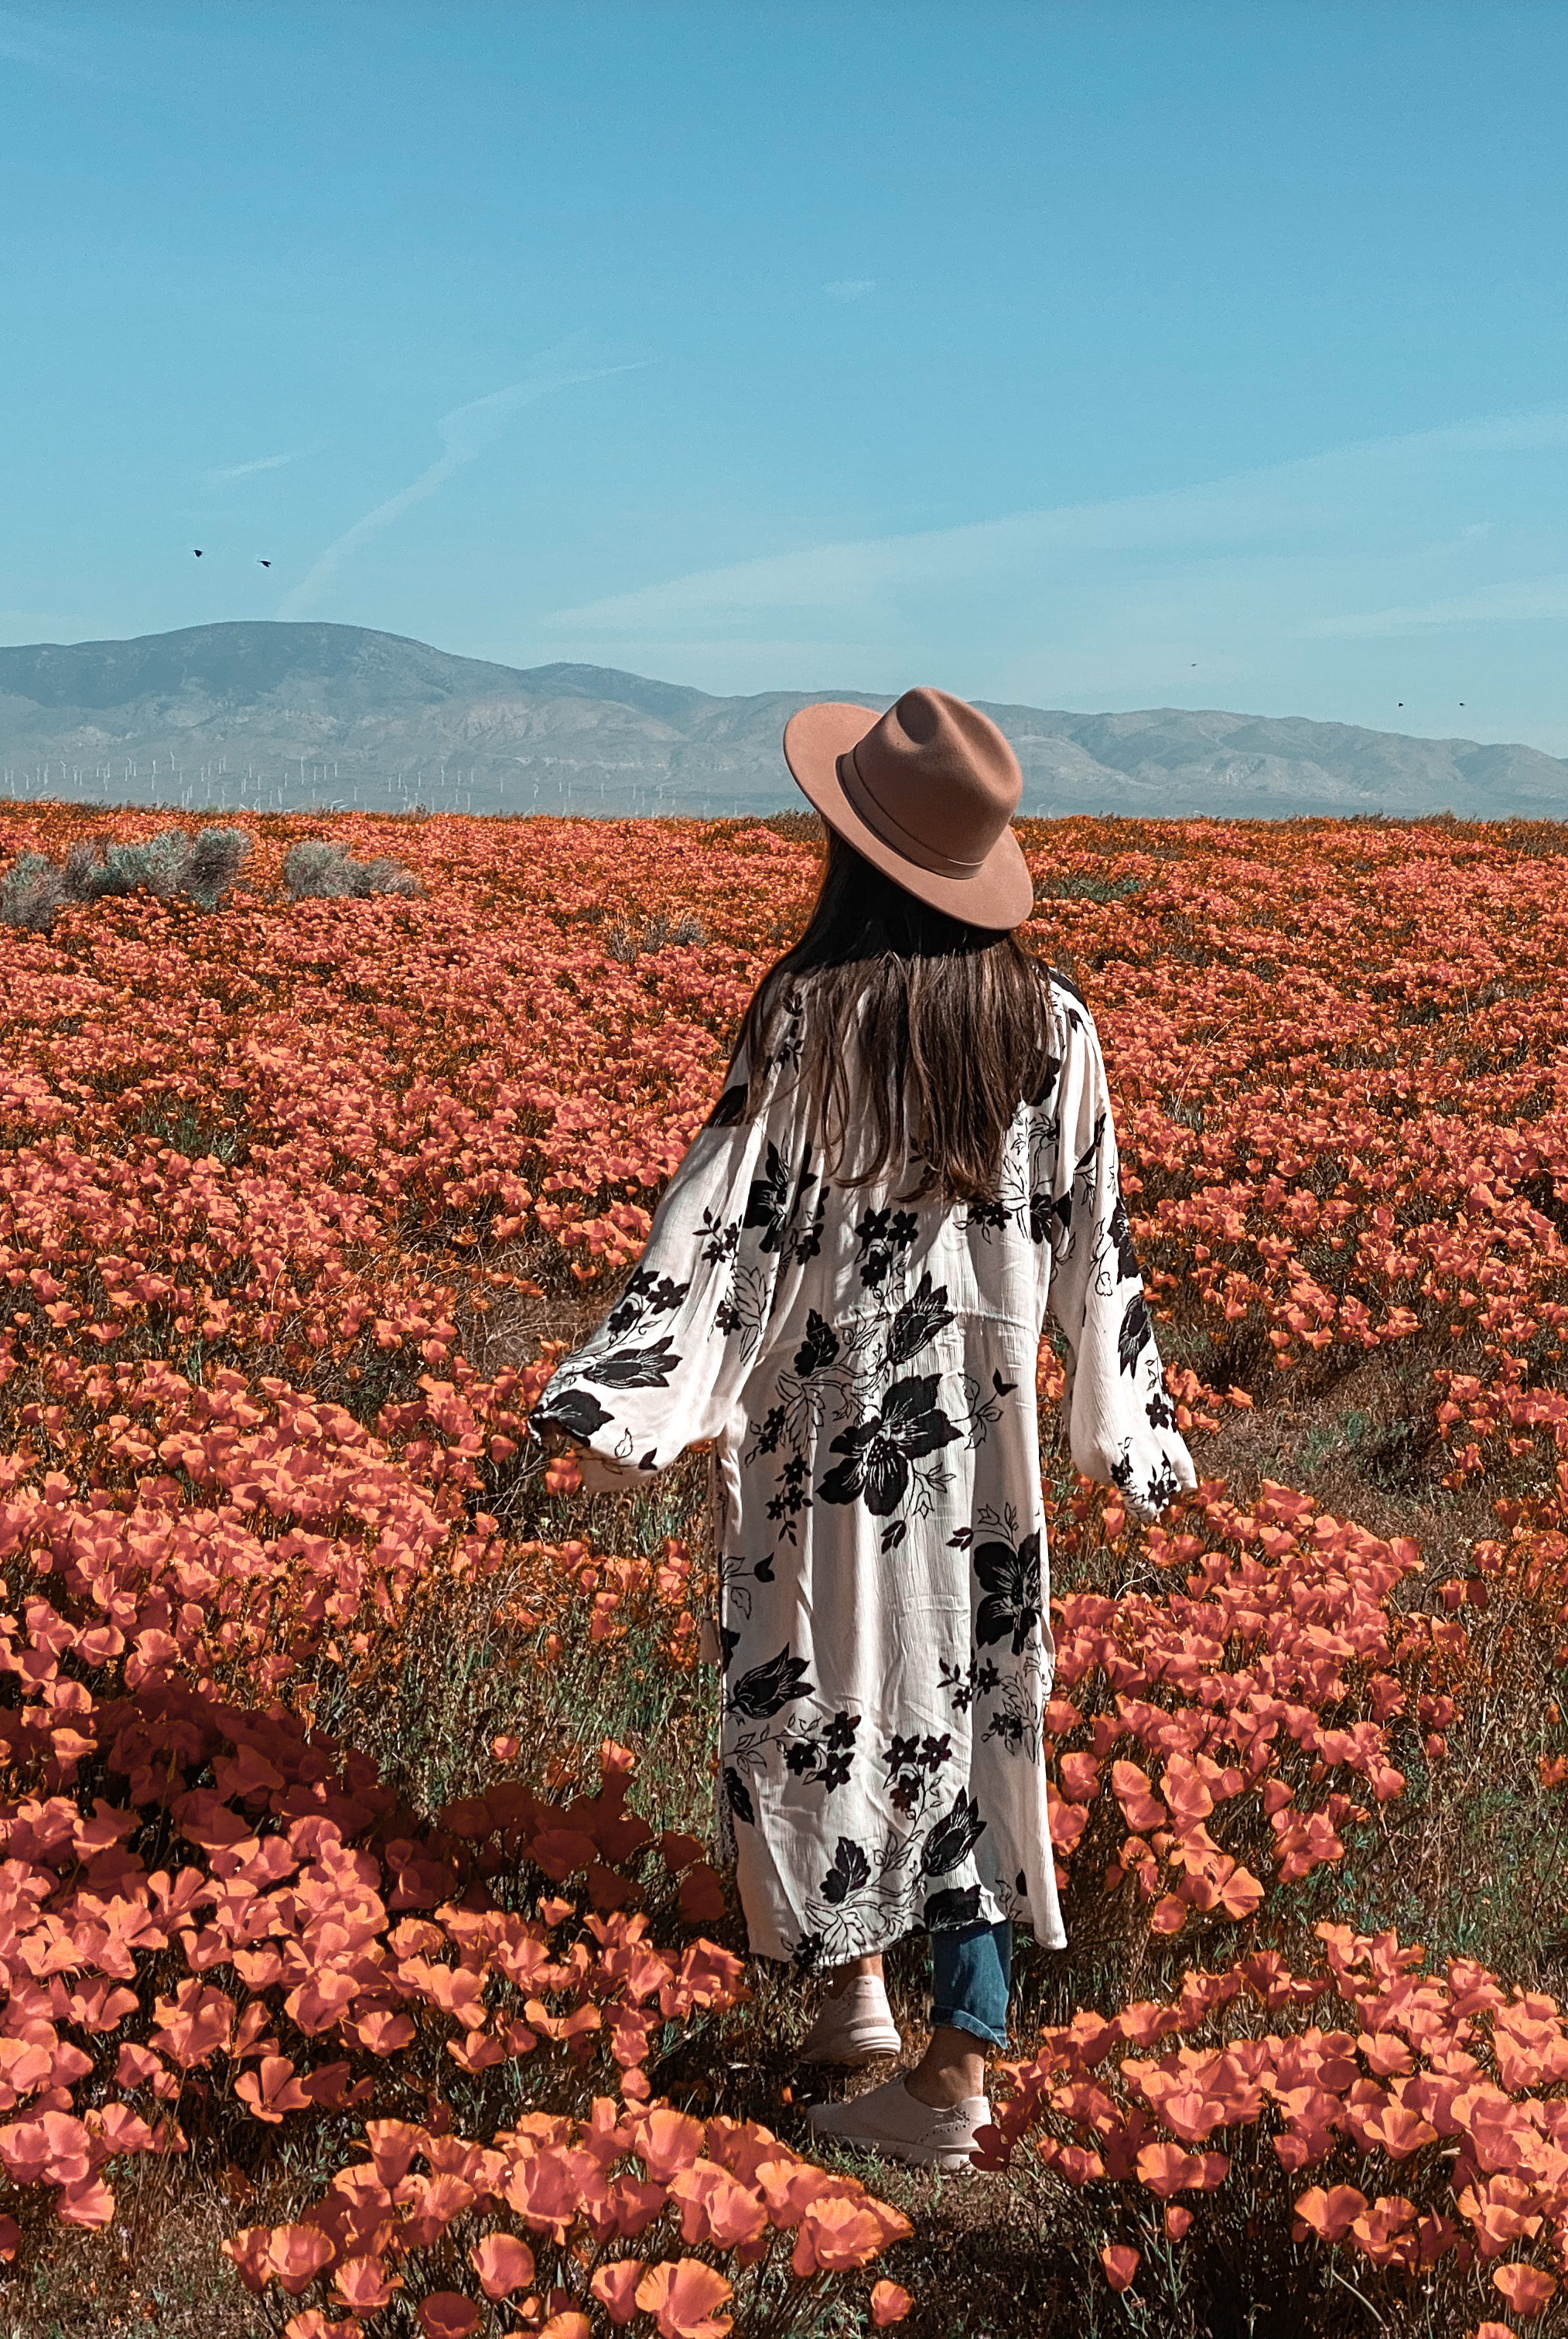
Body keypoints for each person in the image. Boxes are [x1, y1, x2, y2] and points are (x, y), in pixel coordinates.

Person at [529, 686, 1196, 2170]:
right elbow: (1099, 1239)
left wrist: (632, 1378)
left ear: (854, 850)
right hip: (980, 1421)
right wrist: (1123, 1417)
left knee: (821, 1681)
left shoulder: (809, 1013)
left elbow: (723, 1220)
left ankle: (947, 2073)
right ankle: (879, 2023)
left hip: (826, 1419)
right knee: (969, 1700)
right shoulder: (1055, 1022)